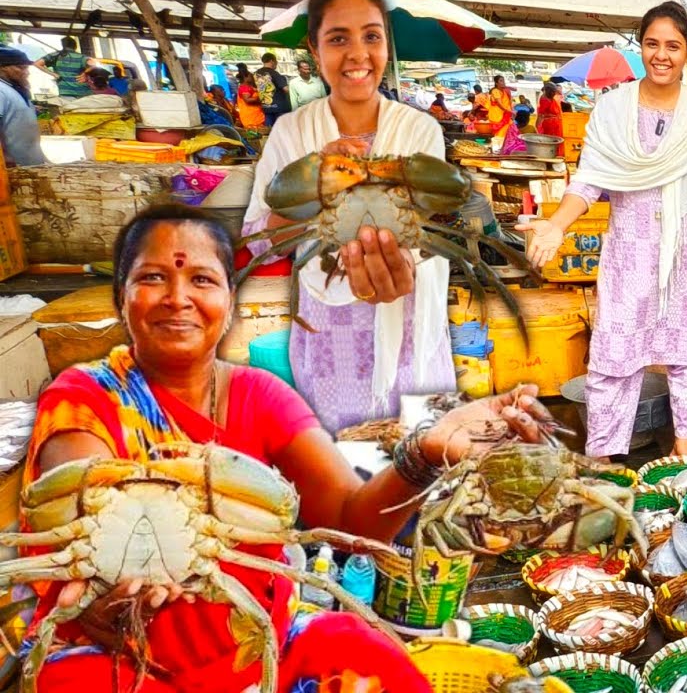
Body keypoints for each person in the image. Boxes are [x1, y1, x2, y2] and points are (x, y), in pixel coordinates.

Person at [17, 205, 477, 692]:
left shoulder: (261, 397)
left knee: (357, 645)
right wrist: (98, 598)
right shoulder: (83, 397)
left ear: (229, 302)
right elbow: (80, 493)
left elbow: (350, 522)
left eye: (202, 280)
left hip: (258, 648)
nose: (178, 298)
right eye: (152, 277)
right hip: (121, 654)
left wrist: (424, 454)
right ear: (122, 298)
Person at [519, 2, 687, 459]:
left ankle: (685, 441)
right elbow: (589, 180)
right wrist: (556, 225)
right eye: (652, 44)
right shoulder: (612, 110)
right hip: (631, 251)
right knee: (614, 356)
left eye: (673, 46)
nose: (661, 55)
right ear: (640, 47)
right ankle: (603, 452)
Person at [243, 0, 457, 433]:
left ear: (385, 46)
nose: (358, 54)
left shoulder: (420, 131)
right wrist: (318, 180)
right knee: (344, 471)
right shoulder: (291, 132)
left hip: (409, 321)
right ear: (315, 53)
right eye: (338, 39)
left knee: (421, 460)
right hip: (327, 333)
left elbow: (434, 217)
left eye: (372, 36)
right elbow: (262, 242)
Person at [0, 46, 46, 167]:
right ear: (3, 68)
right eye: (21, 68)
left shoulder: (15, 89)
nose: (27, 72)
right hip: (11, 170)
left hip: (29, 166)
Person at [254, 52, 292, 127]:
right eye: (276, 61)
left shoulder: (256, 74)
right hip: (279, 108)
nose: (277, 63)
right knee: (282, 130)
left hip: (266, 107)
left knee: (269, 131)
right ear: (272, 61)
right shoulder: (274, 73)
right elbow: (286, 89)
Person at [536, 81, 564, 155]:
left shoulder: (550, 97)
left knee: (555, 140)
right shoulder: (544, 99)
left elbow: (560, 93)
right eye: (553, 91)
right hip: (550, 123)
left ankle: (555, 154)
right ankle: (552, 154)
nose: (555, 93)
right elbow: (540, 114)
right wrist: (537, 126)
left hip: (555, 122)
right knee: (551, 140)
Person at [488, 74, 515, 143]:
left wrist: (507, 87)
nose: (503, 82)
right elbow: (500, 105)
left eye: (503, 81)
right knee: (500, 134)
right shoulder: (495, 91)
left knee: (508, 131)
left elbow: (515, 90)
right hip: (498, 117)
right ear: (496, 83)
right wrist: (511, 112)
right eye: (501, 81)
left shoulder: (503, 91)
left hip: (504, 115)